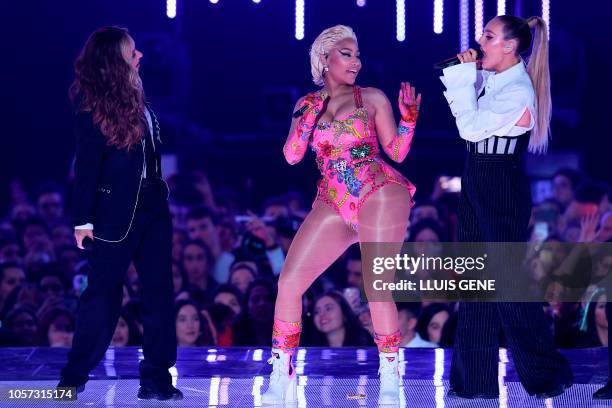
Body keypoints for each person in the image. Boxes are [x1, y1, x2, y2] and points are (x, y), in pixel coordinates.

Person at [261, 25, 420, 405]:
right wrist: (308, 115)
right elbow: (291, 155)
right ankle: (281, 375)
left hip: (378, 190)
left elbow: (396, 152)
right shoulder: (307, 103)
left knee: (376, 283)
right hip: (333, 199)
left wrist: (409, 119)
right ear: (324, 59)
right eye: (347, 54)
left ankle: (390, 375)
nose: (356, 61)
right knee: (288, 283)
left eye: (357, 54)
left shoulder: (373, 97)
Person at [439, 15, 572, 399]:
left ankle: (547, 372)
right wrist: (463, 73)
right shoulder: (494, 80)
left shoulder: (518, 90)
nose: (481, 41)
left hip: (500, 180)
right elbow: (464, 114)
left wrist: (464, 77)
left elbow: (470, 126)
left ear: (511, 46)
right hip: (477, 175)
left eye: (489, 36)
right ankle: (473, 382)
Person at [57, 26, 182, 400]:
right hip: (114, 213)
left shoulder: (141, 102)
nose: (140, 56)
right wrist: (83, 220)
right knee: (103, 294)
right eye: (133, 52)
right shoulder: (92, 110)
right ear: (115, 62)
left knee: (159, 294)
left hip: (154, 209)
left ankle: (156, 378)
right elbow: (87, 169)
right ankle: (73, 376)